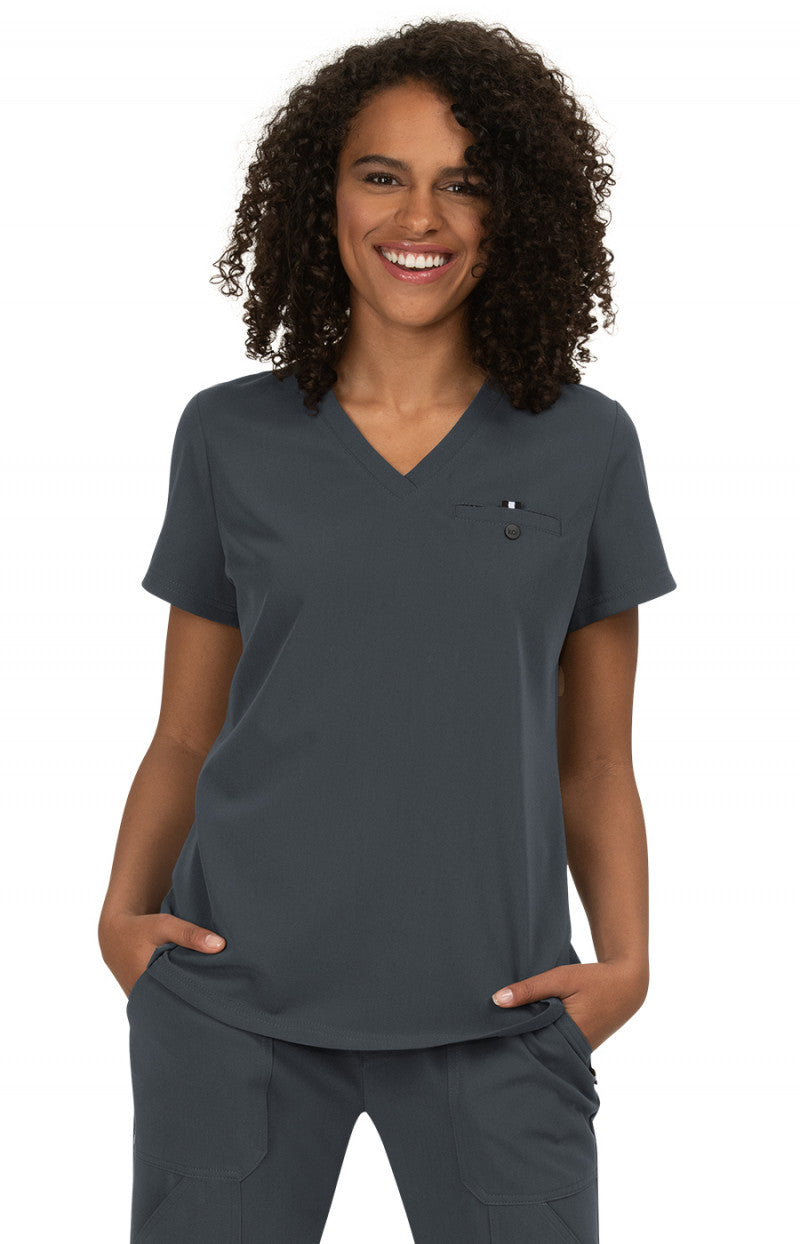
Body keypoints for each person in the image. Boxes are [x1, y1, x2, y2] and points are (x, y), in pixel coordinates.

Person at [98, 17, 678, 1243]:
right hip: (230, 1009)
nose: (419, 216)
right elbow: (186, 734)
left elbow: (594, 758)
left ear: (513, 211)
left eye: (462, 183)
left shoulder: (584, 443)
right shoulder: (228, 436)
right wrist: (122, 921)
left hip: (501, 1016)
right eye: (382, 175)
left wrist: (623, 963)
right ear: (323, 197)